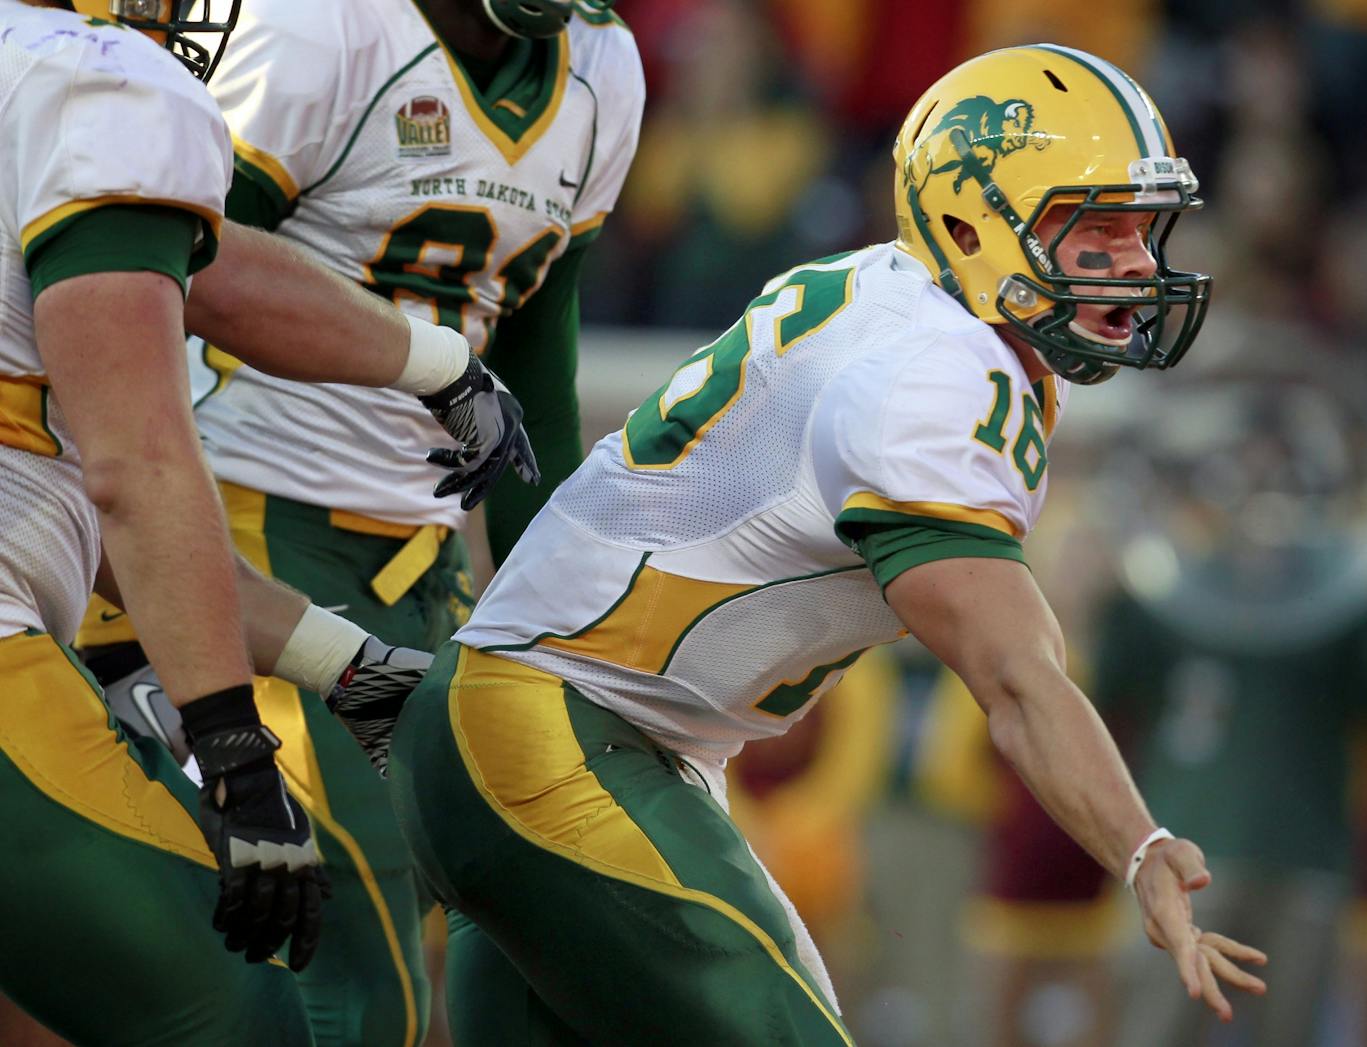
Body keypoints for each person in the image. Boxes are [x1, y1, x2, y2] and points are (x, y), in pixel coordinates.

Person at [389, 43, 1269, 1043]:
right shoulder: (937, 377)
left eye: (1143, 231)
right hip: (561, 739)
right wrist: (1138, 843)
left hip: (543, 737)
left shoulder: (899, 302)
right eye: (1095, 231)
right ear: (965, 222)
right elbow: (1015, 679)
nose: (1136, 268)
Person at [73, 0, 642, 1042]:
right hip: (245, 521)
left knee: (498, 909)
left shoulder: (605, 66)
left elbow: (534, 349)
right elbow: (166, 260)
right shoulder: (324, 28)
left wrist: (557, 610)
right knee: (361, 972)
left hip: (420, 558)